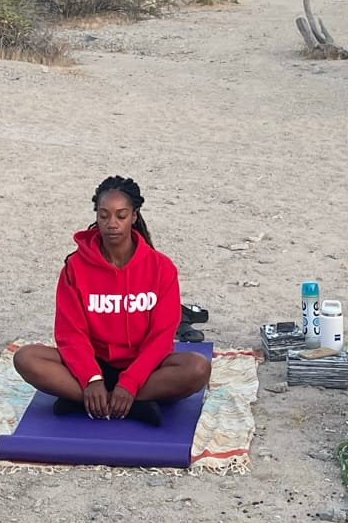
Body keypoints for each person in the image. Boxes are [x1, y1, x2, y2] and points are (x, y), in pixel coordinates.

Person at [14, 176, 209, 427]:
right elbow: (70, 333)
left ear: (134, 216)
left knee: (197, 368)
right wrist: (91, 378)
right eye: (104, 215)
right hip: (91, 364)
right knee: (26, 358)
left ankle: (104, 401)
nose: (112, 224)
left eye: (121, 215)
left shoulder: (161, 268)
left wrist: (130, 382)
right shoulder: (75, 267)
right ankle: (111, 400)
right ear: (96, 215)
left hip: (145, 370)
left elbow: (161, 338)